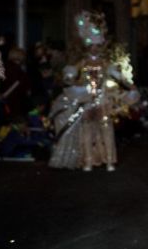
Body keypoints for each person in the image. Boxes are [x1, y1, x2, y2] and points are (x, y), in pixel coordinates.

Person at [48, 12, 138, 171]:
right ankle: (88, 161)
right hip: (87, 98)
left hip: (103, 98)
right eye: (92, 46)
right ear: (87, 46)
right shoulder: (82, 62)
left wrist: (129, 86)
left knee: (106, 129)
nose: (95, 49)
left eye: (97, 46)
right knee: (87, 129)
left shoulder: (105, 63)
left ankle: (109, 160)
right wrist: (72, 80)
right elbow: (70, 75)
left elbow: (118, 76)